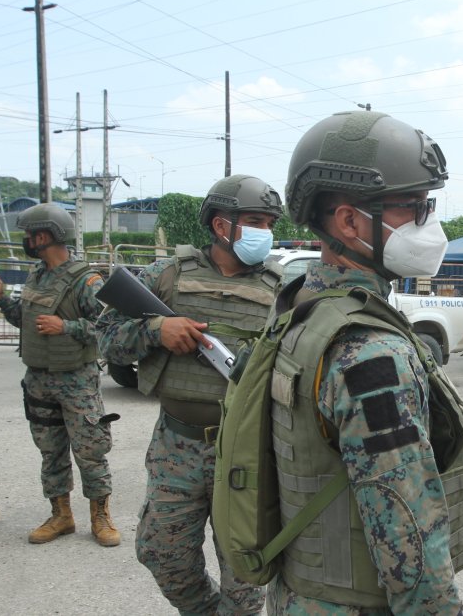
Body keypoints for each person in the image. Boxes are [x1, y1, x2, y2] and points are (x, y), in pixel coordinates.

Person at [268, 110, 463, 613]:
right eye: (415, 207)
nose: (430, 224)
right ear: (350, 221)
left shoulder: (298, 308)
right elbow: (408, 536)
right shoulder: (373, 354)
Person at [97, 175, 283, 614]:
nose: (265, 232)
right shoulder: (167, 275)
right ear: (221, 225)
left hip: (247, 450)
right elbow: (104, 337)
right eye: (255, 221)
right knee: (162, 553)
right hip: (176, 443)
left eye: (269, 223)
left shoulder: (281, 289)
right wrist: (156, 329)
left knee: (246, 572)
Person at [0, 203, 119, 547]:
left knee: (90, 451)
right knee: (50, 451)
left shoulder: (86, 280)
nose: (26, 240)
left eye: (29, 234)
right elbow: (28, 322)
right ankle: (60, 515)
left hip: (76, 381)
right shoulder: (37, 275)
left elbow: (110, 329)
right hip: (39, 380)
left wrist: (65, 326)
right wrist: (1, 300)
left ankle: (100, 517)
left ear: (47, 235)